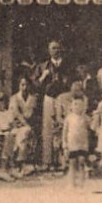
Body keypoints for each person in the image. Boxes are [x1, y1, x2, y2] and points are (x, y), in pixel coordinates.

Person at [33, 40, 71, 169]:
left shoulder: (67, 65)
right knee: (48, 129)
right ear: (49, 51)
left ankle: (63, 161)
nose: (56, 50)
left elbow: (73, 82)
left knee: (64, 127)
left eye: (58, 48)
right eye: (53, 48)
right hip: (49, 97)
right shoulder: (43, 66)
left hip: (63, 98)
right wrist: (43, 77)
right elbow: (35, 85)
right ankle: (47, 161)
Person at [62, 92, 91, 187]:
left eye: (80, 105)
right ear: (71, 106)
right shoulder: (68, 118)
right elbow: (65, 132)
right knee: (72, 163)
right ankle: (72, 182)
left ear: (83, 107)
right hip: (72, 144)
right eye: (75, 104)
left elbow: (92, 127)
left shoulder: (86, 118)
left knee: (82, 162)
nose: (77, 107)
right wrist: (65, 145)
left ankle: (82, 183)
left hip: (82, 144)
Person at [8, 76, 36, 174]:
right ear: (19, 85)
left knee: (27, 133)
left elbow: (33, 113)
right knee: (24, 133)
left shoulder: (33, 98)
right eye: (22, 85)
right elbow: (16, 114)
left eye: (27, 85)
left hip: (29, 124)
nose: (24, 87)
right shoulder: (14, 98)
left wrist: (30, 124)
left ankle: (23, 162)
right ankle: (20, 162)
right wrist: (25, 124)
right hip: (17, 125)